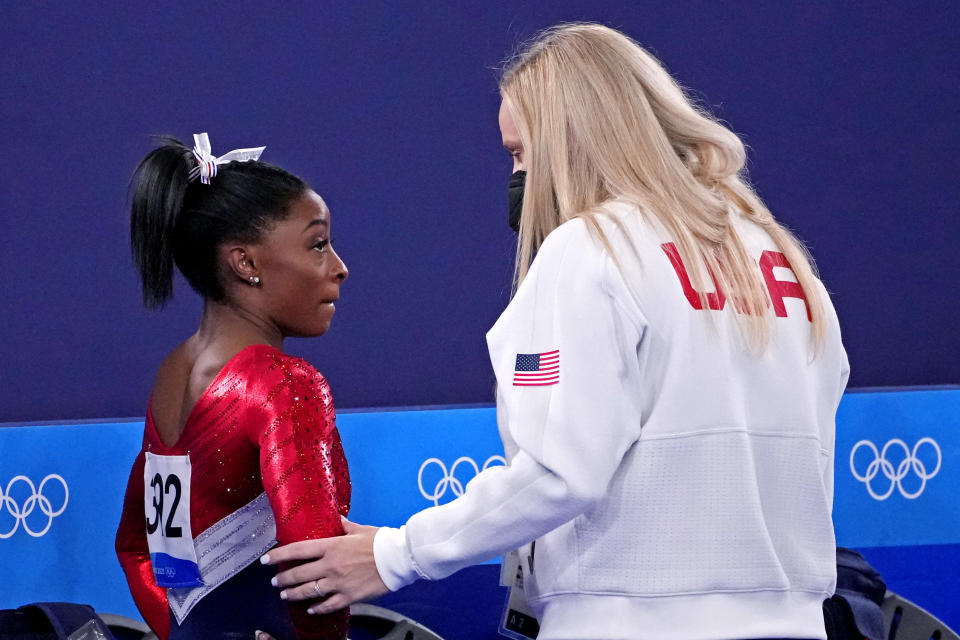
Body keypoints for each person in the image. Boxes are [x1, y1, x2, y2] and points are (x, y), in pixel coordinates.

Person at [264, 23, 849, 640]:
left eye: (520, 153)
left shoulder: (591, 249)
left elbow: (560, 471)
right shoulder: (781, 256)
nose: (516, 176)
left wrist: (396, 554)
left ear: (575, 141)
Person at [115, 133, 351, 640]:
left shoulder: (172, 374)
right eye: (318, 244)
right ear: (245, 263)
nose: (339, 268)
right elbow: (316, 558)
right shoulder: (284, 383)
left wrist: (183, 633)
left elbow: (137, 547)